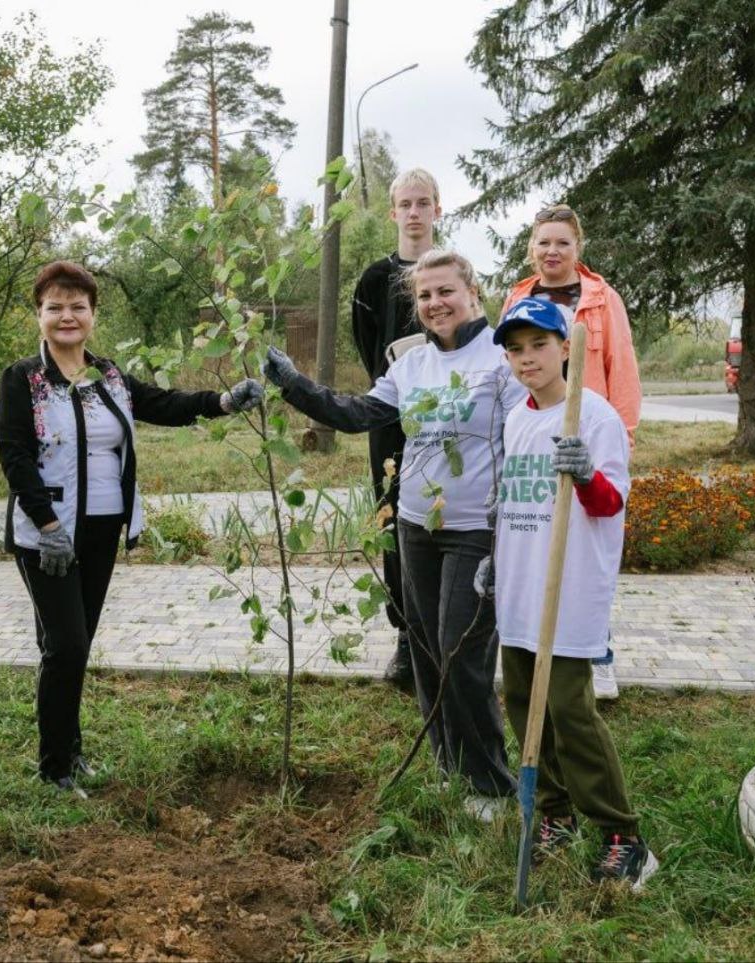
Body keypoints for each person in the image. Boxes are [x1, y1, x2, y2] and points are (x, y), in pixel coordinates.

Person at [265, 249, 525, 820]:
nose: (434, 303)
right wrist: (294, 385)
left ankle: (492, 785)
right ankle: (447, 767)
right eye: (425, 295)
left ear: (472, 292)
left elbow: (521, 444)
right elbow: (358, 413)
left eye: (445, 291)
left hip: (475, 530)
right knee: (429, 653)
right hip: (415, 527)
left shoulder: (502, 359)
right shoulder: (410, 366)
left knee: (464, 654)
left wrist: (508, 539)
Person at [0, 261, 263, 797]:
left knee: (76, 643)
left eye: (77, 307)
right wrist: (46, 522)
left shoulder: (108, 377)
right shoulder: (22, 379)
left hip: (100, 531)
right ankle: (54, 769)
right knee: (65, 645)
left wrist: (224, 401)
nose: (66, 316)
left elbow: (165, 404)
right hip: (48, 534)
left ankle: (70, 753)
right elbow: (14, 455)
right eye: (55, 307)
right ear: (39, 316)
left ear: (93, 314)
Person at [476, 296, 658, 888]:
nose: (527, 359)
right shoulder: (518, 418)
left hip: (570, 591)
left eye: (539, 346)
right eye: (516, 349)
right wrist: (495, 560)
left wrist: (585, 474)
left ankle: (622, 836)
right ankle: (553, 816)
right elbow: (515, 502)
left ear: (564, 348)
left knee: (572, 716)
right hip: (522, 590)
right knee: (527, 709)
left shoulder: (594, 417)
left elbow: (611, 503)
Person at [501, 205, 641, 701]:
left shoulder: (601, 299)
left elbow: (621, 367)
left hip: (586, 427)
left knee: (583, 555)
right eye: (543, 242)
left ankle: (595, 653)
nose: (552, 251)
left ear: (577, 248)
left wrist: (617, 438)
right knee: (541, 545)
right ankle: (540, 648)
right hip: (539, 428)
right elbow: (508, 373)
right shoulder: (518, 297)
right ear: (532, 248)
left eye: (562, 242)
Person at [350, 168, 440, 693]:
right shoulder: (374, 280)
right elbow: (368, 345)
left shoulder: (452, 273)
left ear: (437, 210)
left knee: (445, 515)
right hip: (391, 421)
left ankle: (441, 634)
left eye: (422, 203)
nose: (413, 213)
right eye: (404, 204)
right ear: (392, 212)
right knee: (393, 522)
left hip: (447, 421)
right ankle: (407, 639)